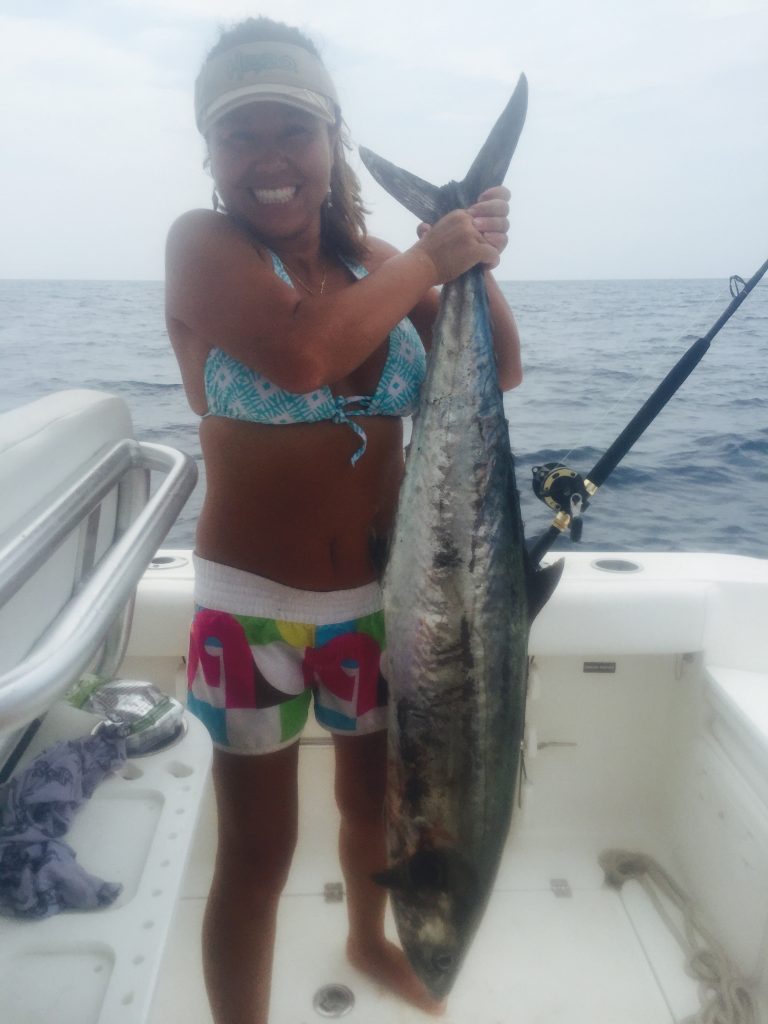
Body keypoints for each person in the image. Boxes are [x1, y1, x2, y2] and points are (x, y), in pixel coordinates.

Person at [166, 16, 522, 1024]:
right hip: (249, 612)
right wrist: (431, 254)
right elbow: (302, 359)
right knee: (257, 853)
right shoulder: (205, 248)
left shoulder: (383, 259)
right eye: (240, 136)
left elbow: (505, 367)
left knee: (376, 812)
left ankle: (372, 942)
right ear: (210, 154)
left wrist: (470, 261)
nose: (270, 159)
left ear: (331, 141)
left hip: (386, 608)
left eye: (295, 131)